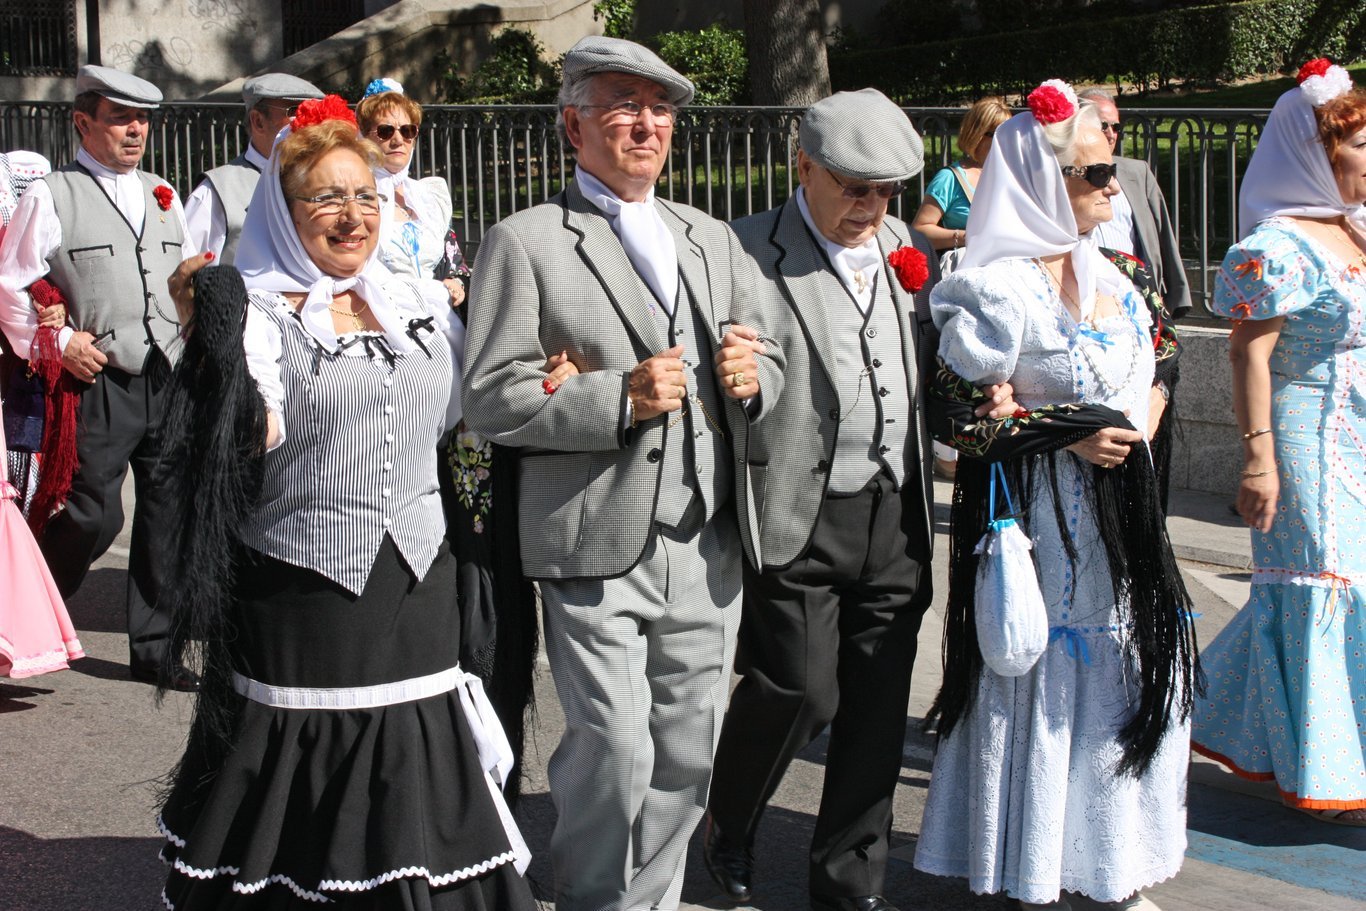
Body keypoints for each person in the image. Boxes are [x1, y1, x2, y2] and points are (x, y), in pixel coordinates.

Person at [155, 99, 536, 908]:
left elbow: (474, 407)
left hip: (418, 580)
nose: (352, 214)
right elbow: (242, 436)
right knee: (312, 778)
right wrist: (210, 339)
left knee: (417, 765)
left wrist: (552, 384)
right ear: (284, 213)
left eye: (365, 195)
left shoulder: (416, 305)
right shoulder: (255, 314)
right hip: (304, 591)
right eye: (326, 198)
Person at [461, 36, 779, 911]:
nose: (646, 124)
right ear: (573, 123)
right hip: (593, 532)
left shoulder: (710, 238)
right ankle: (597, 896)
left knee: (687, 750)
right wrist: (617, 398)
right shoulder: (524, 242)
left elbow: (767, 350)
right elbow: (490, 396)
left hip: (706, 534)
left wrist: (758, 375)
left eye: (660, 109)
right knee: (612, 745)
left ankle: (652, 899)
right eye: (623, 106)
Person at [702, 88, 1013, 911]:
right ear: (803, 166)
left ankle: (849, 881)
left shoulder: (904, 247)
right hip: (799, 506)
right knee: (801, 688)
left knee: (878, 703)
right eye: (852, 187)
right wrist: (742, 375)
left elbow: (920, 366)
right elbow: (737, 358)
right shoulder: (745, 249)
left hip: (895, 508)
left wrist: (975, 402)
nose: (869, 207)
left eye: (885, 191)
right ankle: (728, 820)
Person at [912, 80, 1197, 911]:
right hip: (1041, 524)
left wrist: (1135, 425)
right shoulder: (993, 287)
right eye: (1094, 172)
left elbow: (1166, 359)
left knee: (1122, 671)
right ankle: (1031, 860)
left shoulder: (1124, 274)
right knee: (1038, 669)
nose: (1115, 184)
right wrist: (1064, 432)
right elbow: (957, 417)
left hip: (1122, 520)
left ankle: (1109, 865)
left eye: (1110, 171)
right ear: (1043, 184)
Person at [1191, 59, 1366, 826]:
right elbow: (1246, 351)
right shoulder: (1278, 243)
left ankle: (1198, 711)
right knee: (1321, 584)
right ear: (1319, 153)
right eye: (1363, 145)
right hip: (1303, 440)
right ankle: (1321, 770)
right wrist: (1258, 454)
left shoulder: (1353, 227)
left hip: (1357, 432)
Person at [0, 65, 198, 690]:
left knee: (168, 515)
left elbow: (187, 283)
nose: (135, 129)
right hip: (97, 381)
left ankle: (157, 652)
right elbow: (10, 285)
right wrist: (58, 340)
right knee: (90, 515)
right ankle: (28, 623)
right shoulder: (52, 194)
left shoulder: (165, 193)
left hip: (166, 376)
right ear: (83, 122)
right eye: (120, 116)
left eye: (142, 118)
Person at [0, 148, 83, 679]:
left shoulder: (44, 212)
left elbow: (50, 276)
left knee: (25, 491)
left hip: (27, 377)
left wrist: (55, 309)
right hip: (17, 365)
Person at [912, 96, 1011, 480]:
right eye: (996, 135)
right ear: (976, 134)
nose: (1003, 143)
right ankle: (950, 449)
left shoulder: (1011, 176)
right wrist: (965, 236)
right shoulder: (951, 178)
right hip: (964, 280)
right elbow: (920, 228)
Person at [184, 72, 324, 263]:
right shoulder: (217, 191)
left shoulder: (326, 180)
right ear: (258, 121)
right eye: (295, 111)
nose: (308, 121)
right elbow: (189, 272)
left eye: (314, 111)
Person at [355, 78, 470, 312]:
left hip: (443, 319)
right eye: (385, 131)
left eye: (407, 131)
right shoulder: (354, 199)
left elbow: (455, 262)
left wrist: (456, 282)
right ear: (365, 137)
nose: (398, 140)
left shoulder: (428, 197)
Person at [1078, 88, 1191, 318]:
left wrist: (1175, 299)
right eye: (1103, 126)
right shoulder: (1066, 178)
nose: (1111, 134)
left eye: (1116, 127)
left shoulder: (1136, 172)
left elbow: (1162, 236)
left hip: (1140, 299)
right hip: (1088, 300)